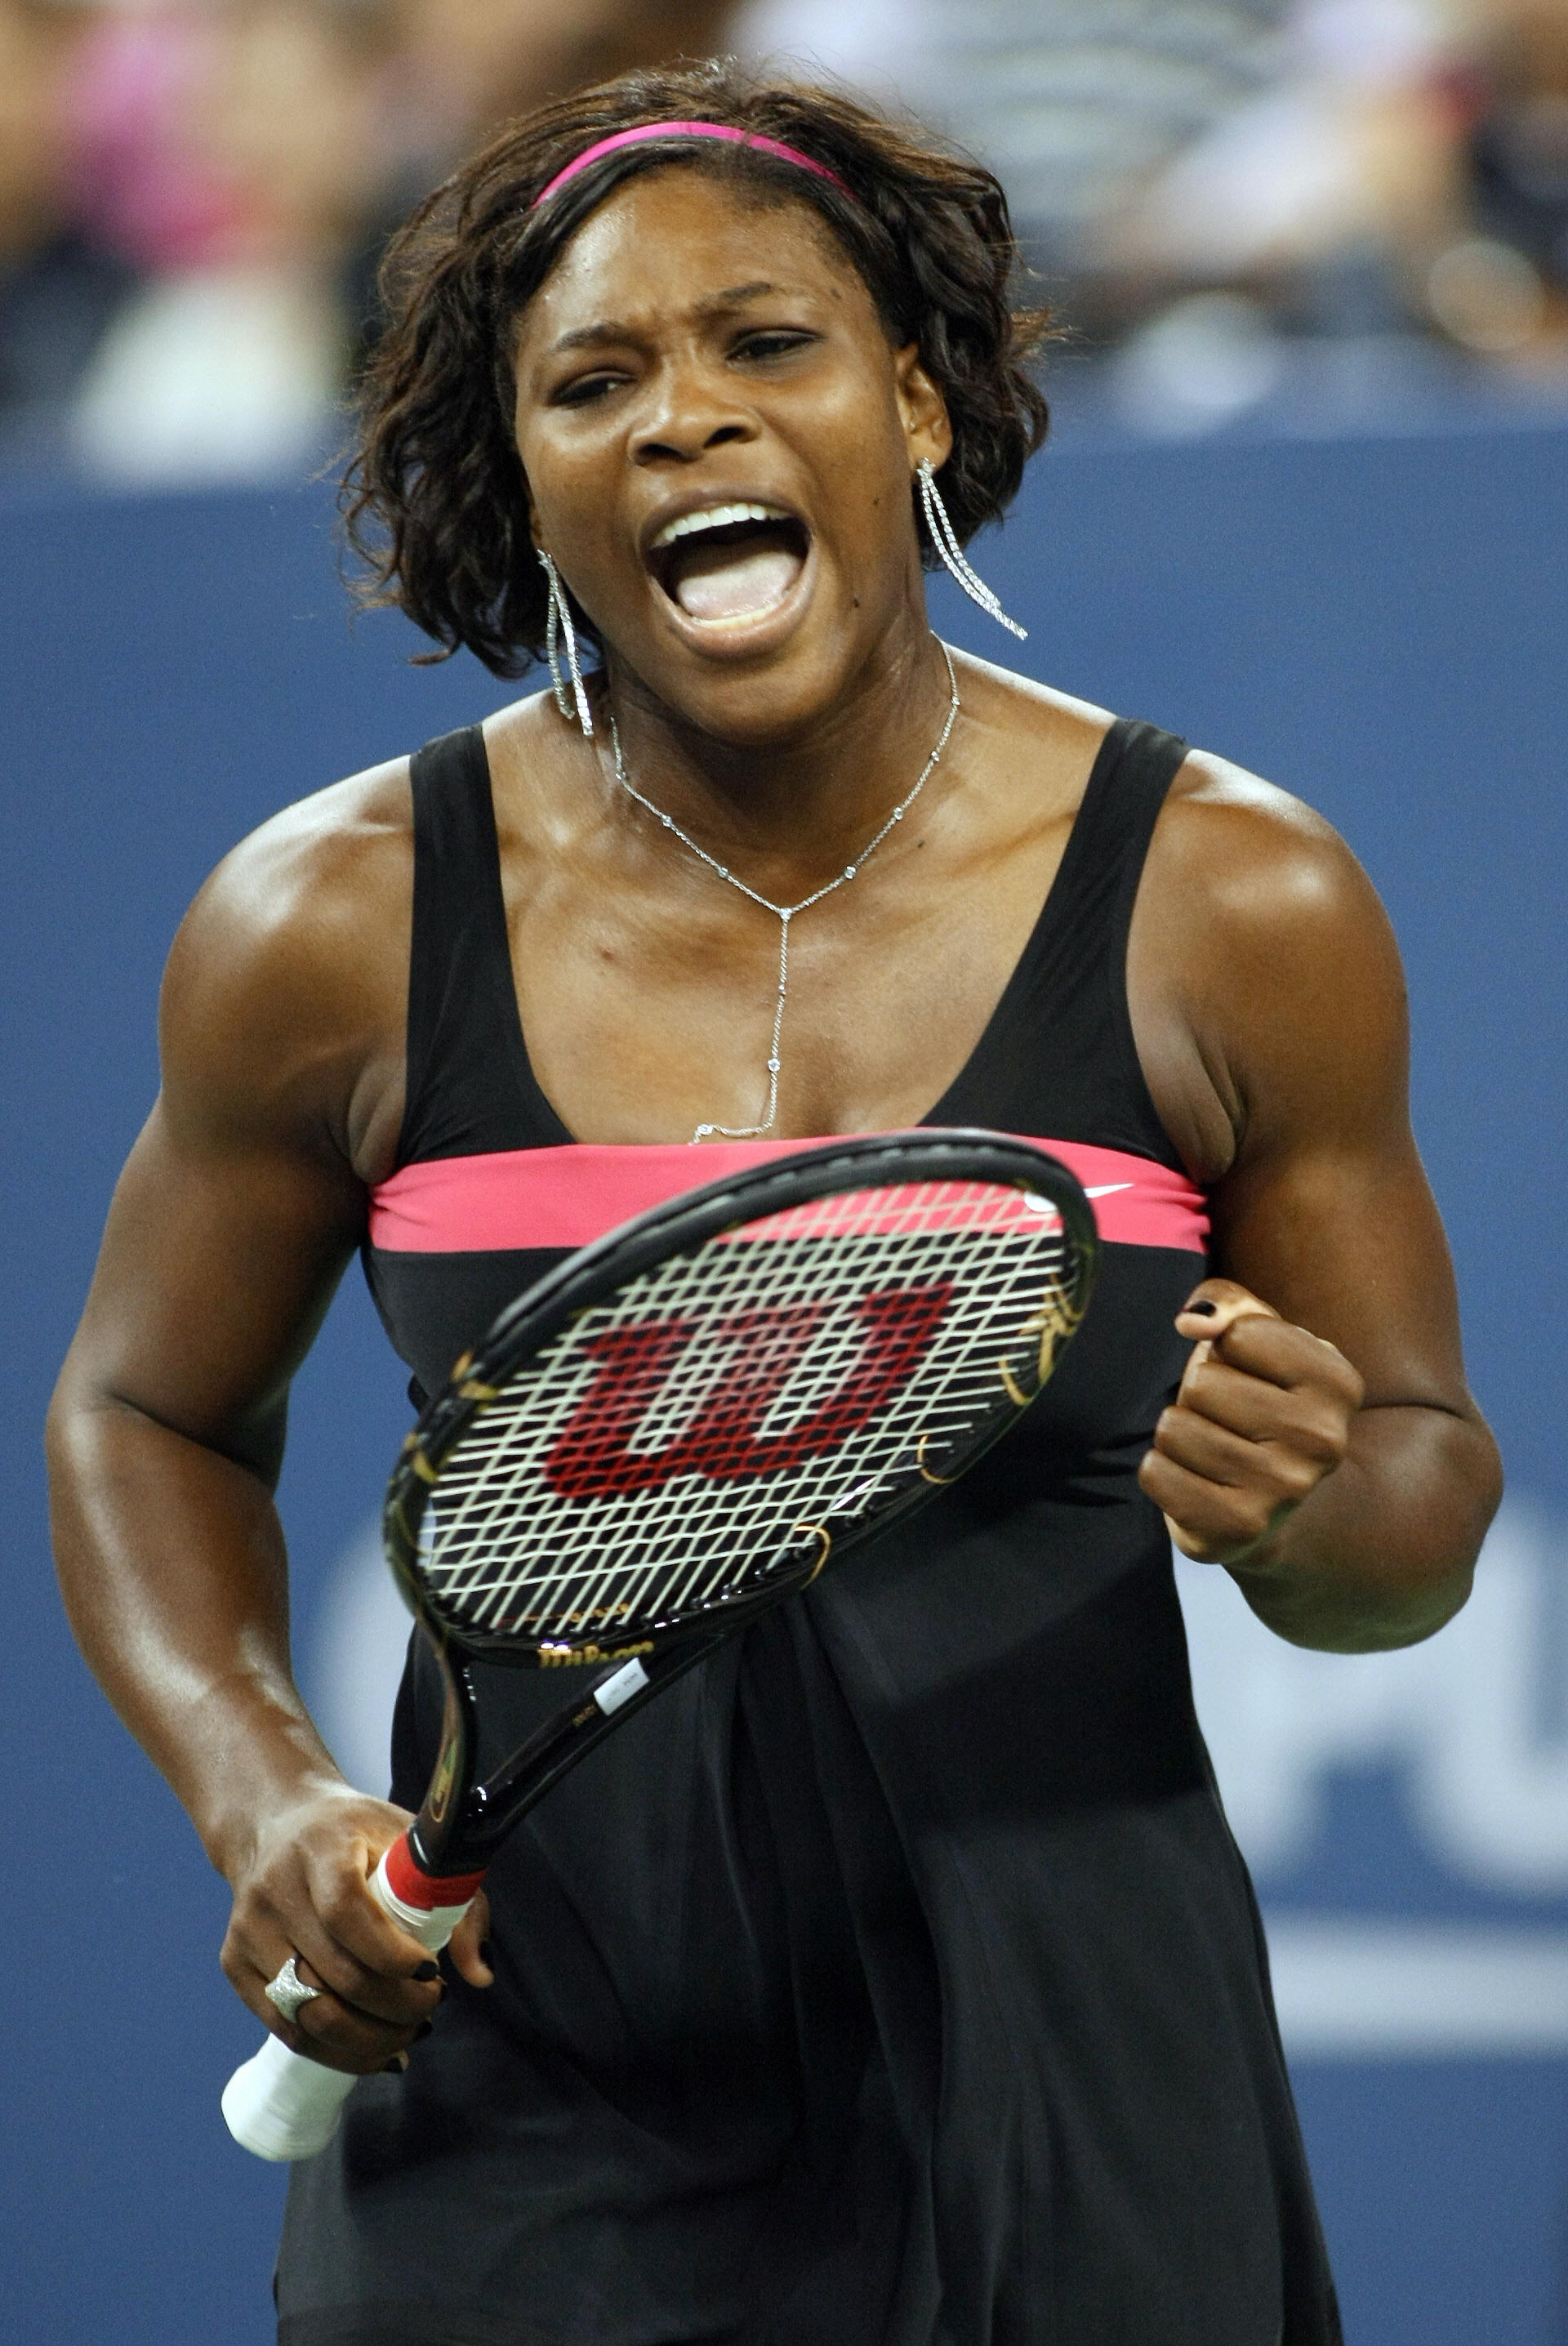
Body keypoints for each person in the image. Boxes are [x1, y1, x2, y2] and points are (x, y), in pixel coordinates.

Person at [47, 60, 1502, 2346]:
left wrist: (1319, 1508)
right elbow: (142, 1413)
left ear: (916, 404)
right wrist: (264, 1798)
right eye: (594, 381)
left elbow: (1417, 1507)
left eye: (767, 345)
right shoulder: (325, 922)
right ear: (519, 470)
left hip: (1080, 2066)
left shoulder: (1231, 896)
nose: (682, 422)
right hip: (530, 2069)